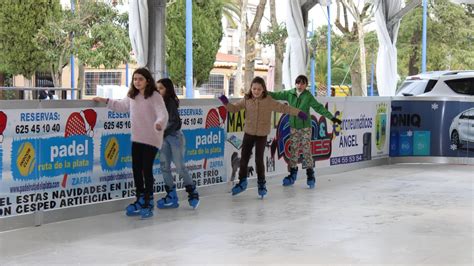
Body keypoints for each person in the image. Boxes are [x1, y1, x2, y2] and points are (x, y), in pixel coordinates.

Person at [93, 68, 168, 219]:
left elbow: (162, 113)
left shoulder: (154, 96)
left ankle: (148, 201)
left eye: (140, 79)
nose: (137, 82)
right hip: (137, 138)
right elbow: (121, 106)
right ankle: (140, 198)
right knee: (136, 169)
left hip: (152, 138)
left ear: (147, 80)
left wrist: (159, 123)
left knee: (146, 169)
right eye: (135, 79)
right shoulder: (132, 95)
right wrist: (104, 100)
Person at [218, 76, 307, 198]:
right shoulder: (247, 99)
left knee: (259, 160)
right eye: (254, 88)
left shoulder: (268, 101)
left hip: (261, 134)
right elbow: (234, 109)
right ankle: (242, 182)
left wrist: (298, 113)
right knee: (243, 159)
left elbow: (283, 108)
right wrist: (225, 101)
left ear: (263, 89)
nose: (256, 91)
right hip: (248, 133)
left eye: (259, 89)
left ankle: (261, 184)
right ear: (251, 89)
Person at [268, 74, 342, 189]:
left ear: (306, 85)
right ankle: (292, 174)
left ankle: (310, 175)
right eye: (298, 83)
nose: (300, 85)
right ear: (295, 83)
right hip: (293, 127)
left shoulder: (308, 96)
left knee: (306, 150)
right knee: (294, 151)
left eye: (302, 83)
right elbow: (276, 95)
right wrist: (263, 91)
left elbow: (319, 107)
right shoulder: (290, 93)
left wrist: (332, 117)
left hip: (305, 127)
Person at [156, 78, 199, 209]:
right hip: (163, 139)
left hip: (174, 138)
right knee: (164, 166)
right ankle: (171, 195)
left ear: (167, 89)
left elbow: (176, 123)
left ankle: (192, 192)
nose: (158, 91)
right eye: (157, 88)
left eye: (161, 88)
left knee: (180, 167)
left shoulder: (170, 102)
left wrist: (162, 133)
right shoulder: (156, 103)